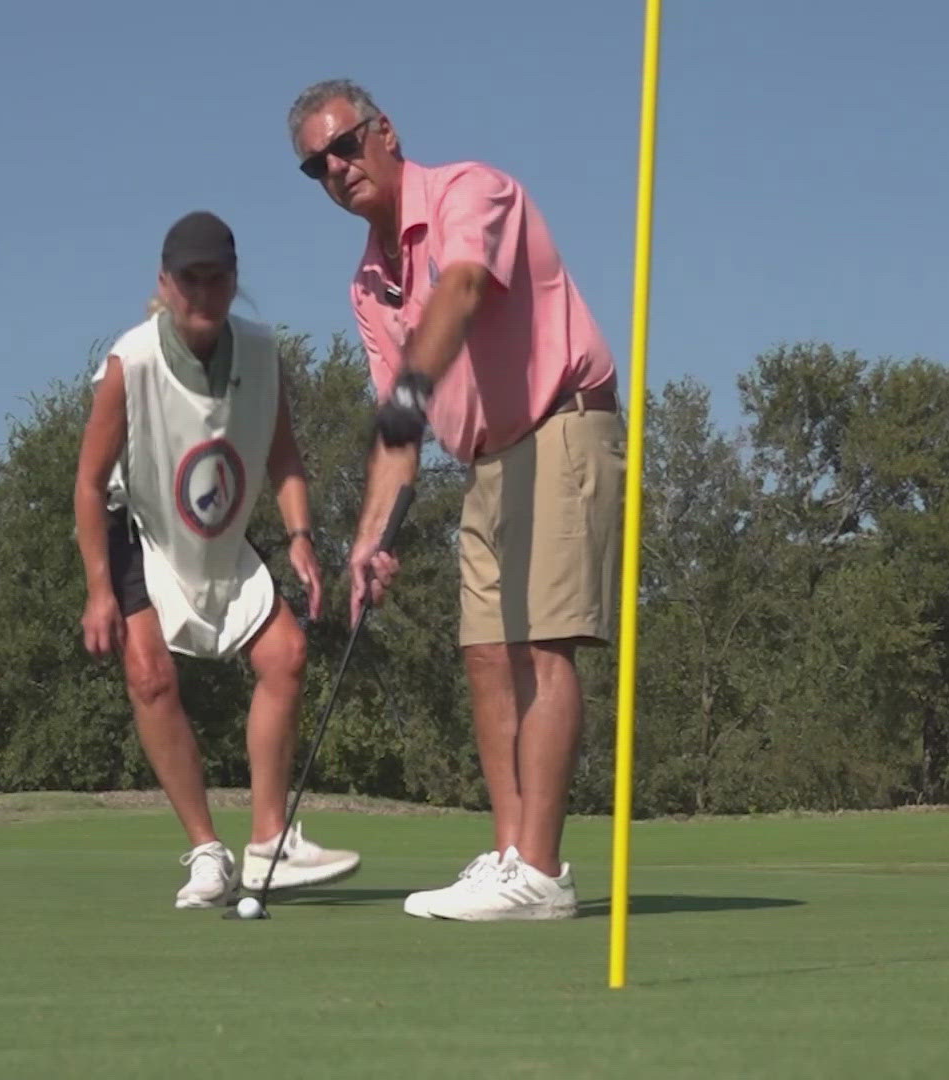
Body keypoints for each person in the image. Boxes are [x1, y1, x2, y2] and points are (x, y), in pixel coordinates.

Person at [284, 81, 626, 921]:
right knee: (484, 653)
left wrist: (410, 388)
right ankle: (510, 855)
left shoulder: (474, 191)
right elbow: (398, 436)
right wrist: (369, 540)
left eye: (345, 146)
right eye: (315, 166)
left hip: (563, 425)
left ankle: (542, 871)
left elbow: (465, 291)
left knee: (544, 645)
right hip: (486, 461)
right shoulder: (369, 285)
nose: (337, 168)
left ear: (385, 132)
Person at [72, 209, 361, 909]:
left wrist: (299, 536)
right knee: (150, 678)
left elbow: (284, 454)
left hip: (218, 531)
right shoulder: (129, 362)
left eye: (217, 279)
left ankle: (270, 841)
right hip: (139, 528)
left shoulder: (261, 352)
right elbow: (87, 481)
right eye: (189, 280)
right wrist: (98, 590)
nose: (203, 293)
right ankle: (207, 852)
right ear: (166, 285)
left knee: (286, 655)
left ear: (235, 283)